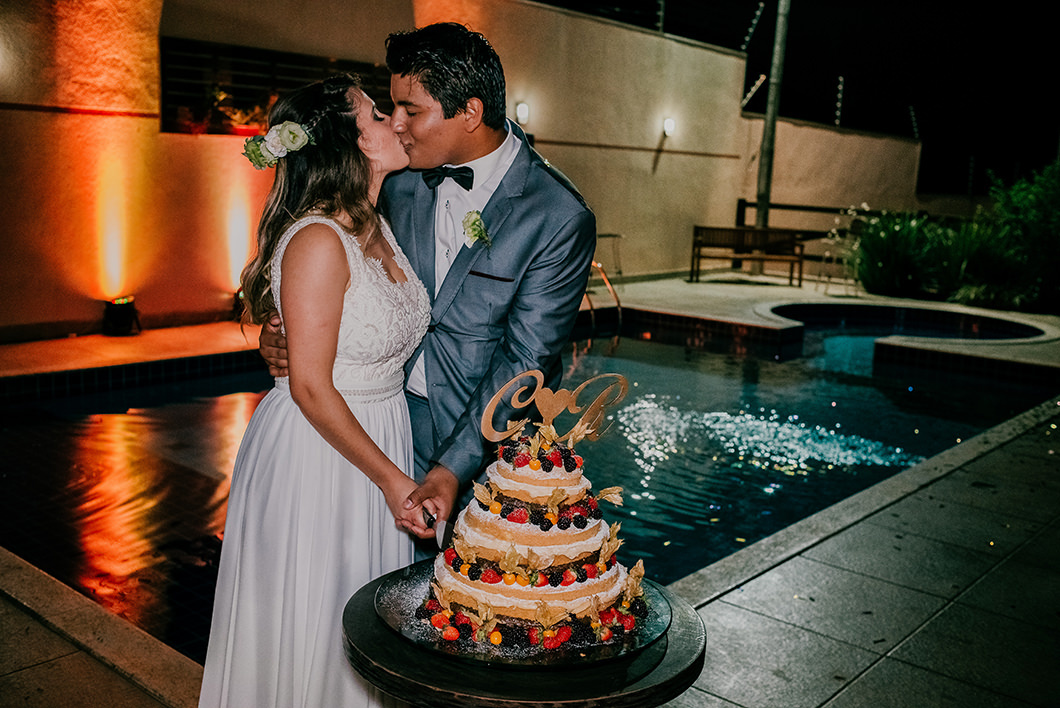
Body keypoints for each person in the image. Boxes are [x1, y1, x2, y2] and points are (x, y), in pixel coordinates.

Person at [259, 22, 597, 548]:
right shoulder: (396, 175)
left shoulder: (557, 215)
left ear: (470, 111)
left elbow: (527, 357)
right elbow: (318, 256)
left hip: (485, 447)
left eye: (410, 110)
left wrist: (452, 466)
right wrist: (281, 331)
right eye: (390, 107)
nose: (396, 125)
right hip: (375, 435)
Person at [199, 74, 430, 708]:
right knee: (316, 618)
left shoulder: (379, 225)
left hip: (378, 437)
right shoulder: (318, 238)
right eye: (378, 114)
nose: (395, 121)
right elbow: (307, 382)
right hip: (318, 455)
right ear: (345, 142)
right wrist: (392, 480)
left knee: (361, 623)